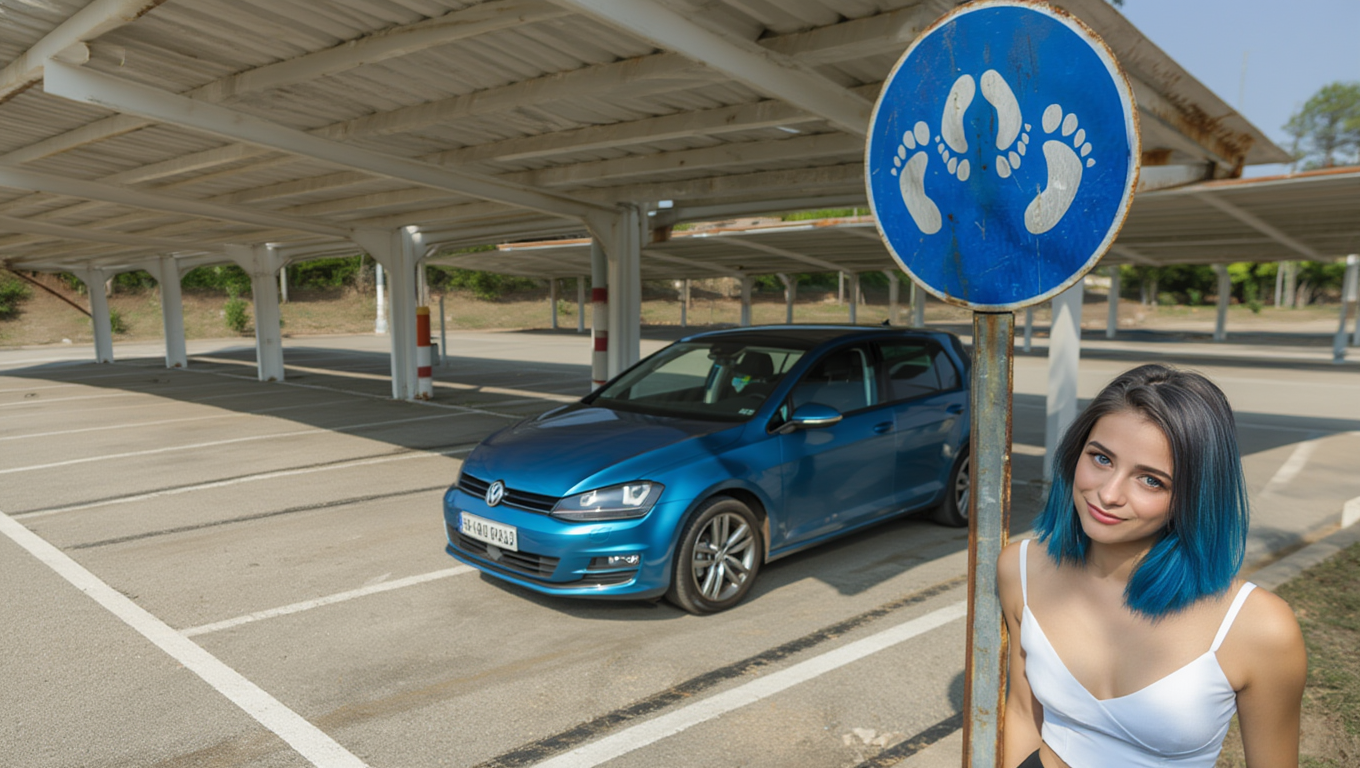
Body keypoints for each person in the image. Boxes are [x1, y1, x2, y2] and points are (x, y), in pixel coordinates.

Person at [998, 364, 1306, 768]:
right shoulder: (1021, 568)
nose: (1108, 494)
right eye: (1101, 458)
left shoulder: (1259, 627)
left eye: (1151, 481)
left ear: (1194, 497)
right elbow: (1023, 713)